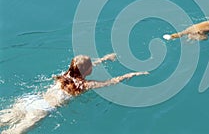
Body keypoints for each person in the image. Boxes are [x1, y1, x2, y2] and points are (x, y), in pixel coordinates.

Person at [0, 53, 148, 134]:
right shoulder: (84, 85)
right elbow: (111, 82)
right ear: (87, 71)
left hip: (30, 100)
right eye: (91, 66)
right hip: (42, 109)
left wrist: (105, 58)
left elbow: (83, 65)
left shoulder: (66, 74)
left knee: (4, 119)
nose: (93, 66)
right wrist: (133, 74)